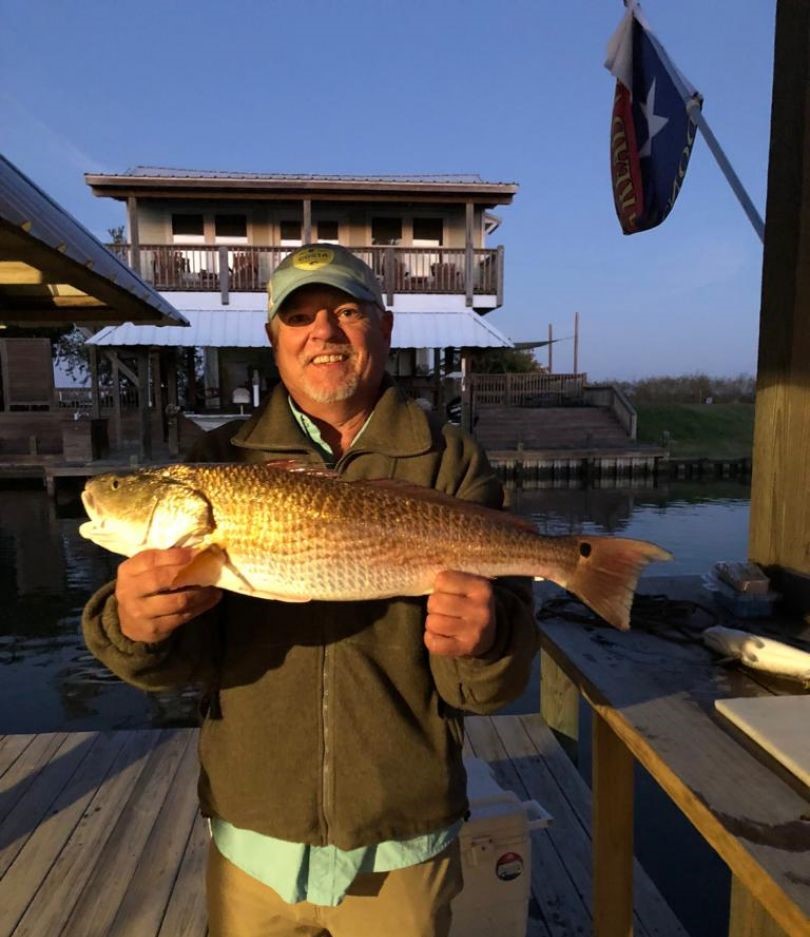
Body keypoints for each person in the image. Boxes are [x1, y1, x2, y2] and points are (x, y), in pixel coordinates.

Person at [82, 244, 538, 937]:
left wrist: (487, 641)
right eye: (299, 317)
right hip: (252, 837)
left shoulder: (451, 462)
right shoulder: (219, 463)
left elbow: (488, 687)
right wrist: (135, 626)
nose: (323, 331)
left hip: (402, 838)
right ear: (274, 339)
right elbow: (181, 667)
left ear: (385, 327)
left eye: (347, 311)